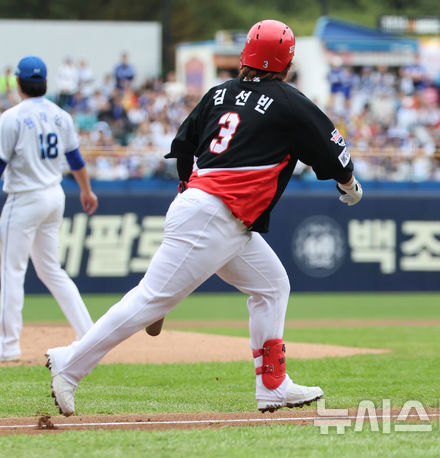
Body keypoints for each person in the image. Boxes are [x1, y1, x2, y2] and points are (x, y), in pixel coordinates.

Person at [44, 19, 363, 417]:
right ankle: (69, 364)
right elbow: (335, 153)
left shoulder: (219, 93)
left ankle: (273, 385)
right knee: (149, 299)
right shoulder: (289, 102)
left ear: (246, 53)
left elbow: (181, 147)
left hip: (212, 211)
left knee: (271, 287)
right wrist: (349, 186)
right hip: (217, 215)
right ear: (287, 62)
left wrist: (188, 192)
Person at [0, 55, 99, 363]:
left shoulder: (12, 117)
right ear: (46, 83)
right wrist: (86, 189)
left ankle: (9, 346)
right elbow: (76, 160)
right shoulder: (60, 115)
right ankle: (90, 335)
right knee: (51, 270)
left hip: (25, 198)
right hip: (54, 196)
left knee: (13, 271)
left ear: (17, 82)